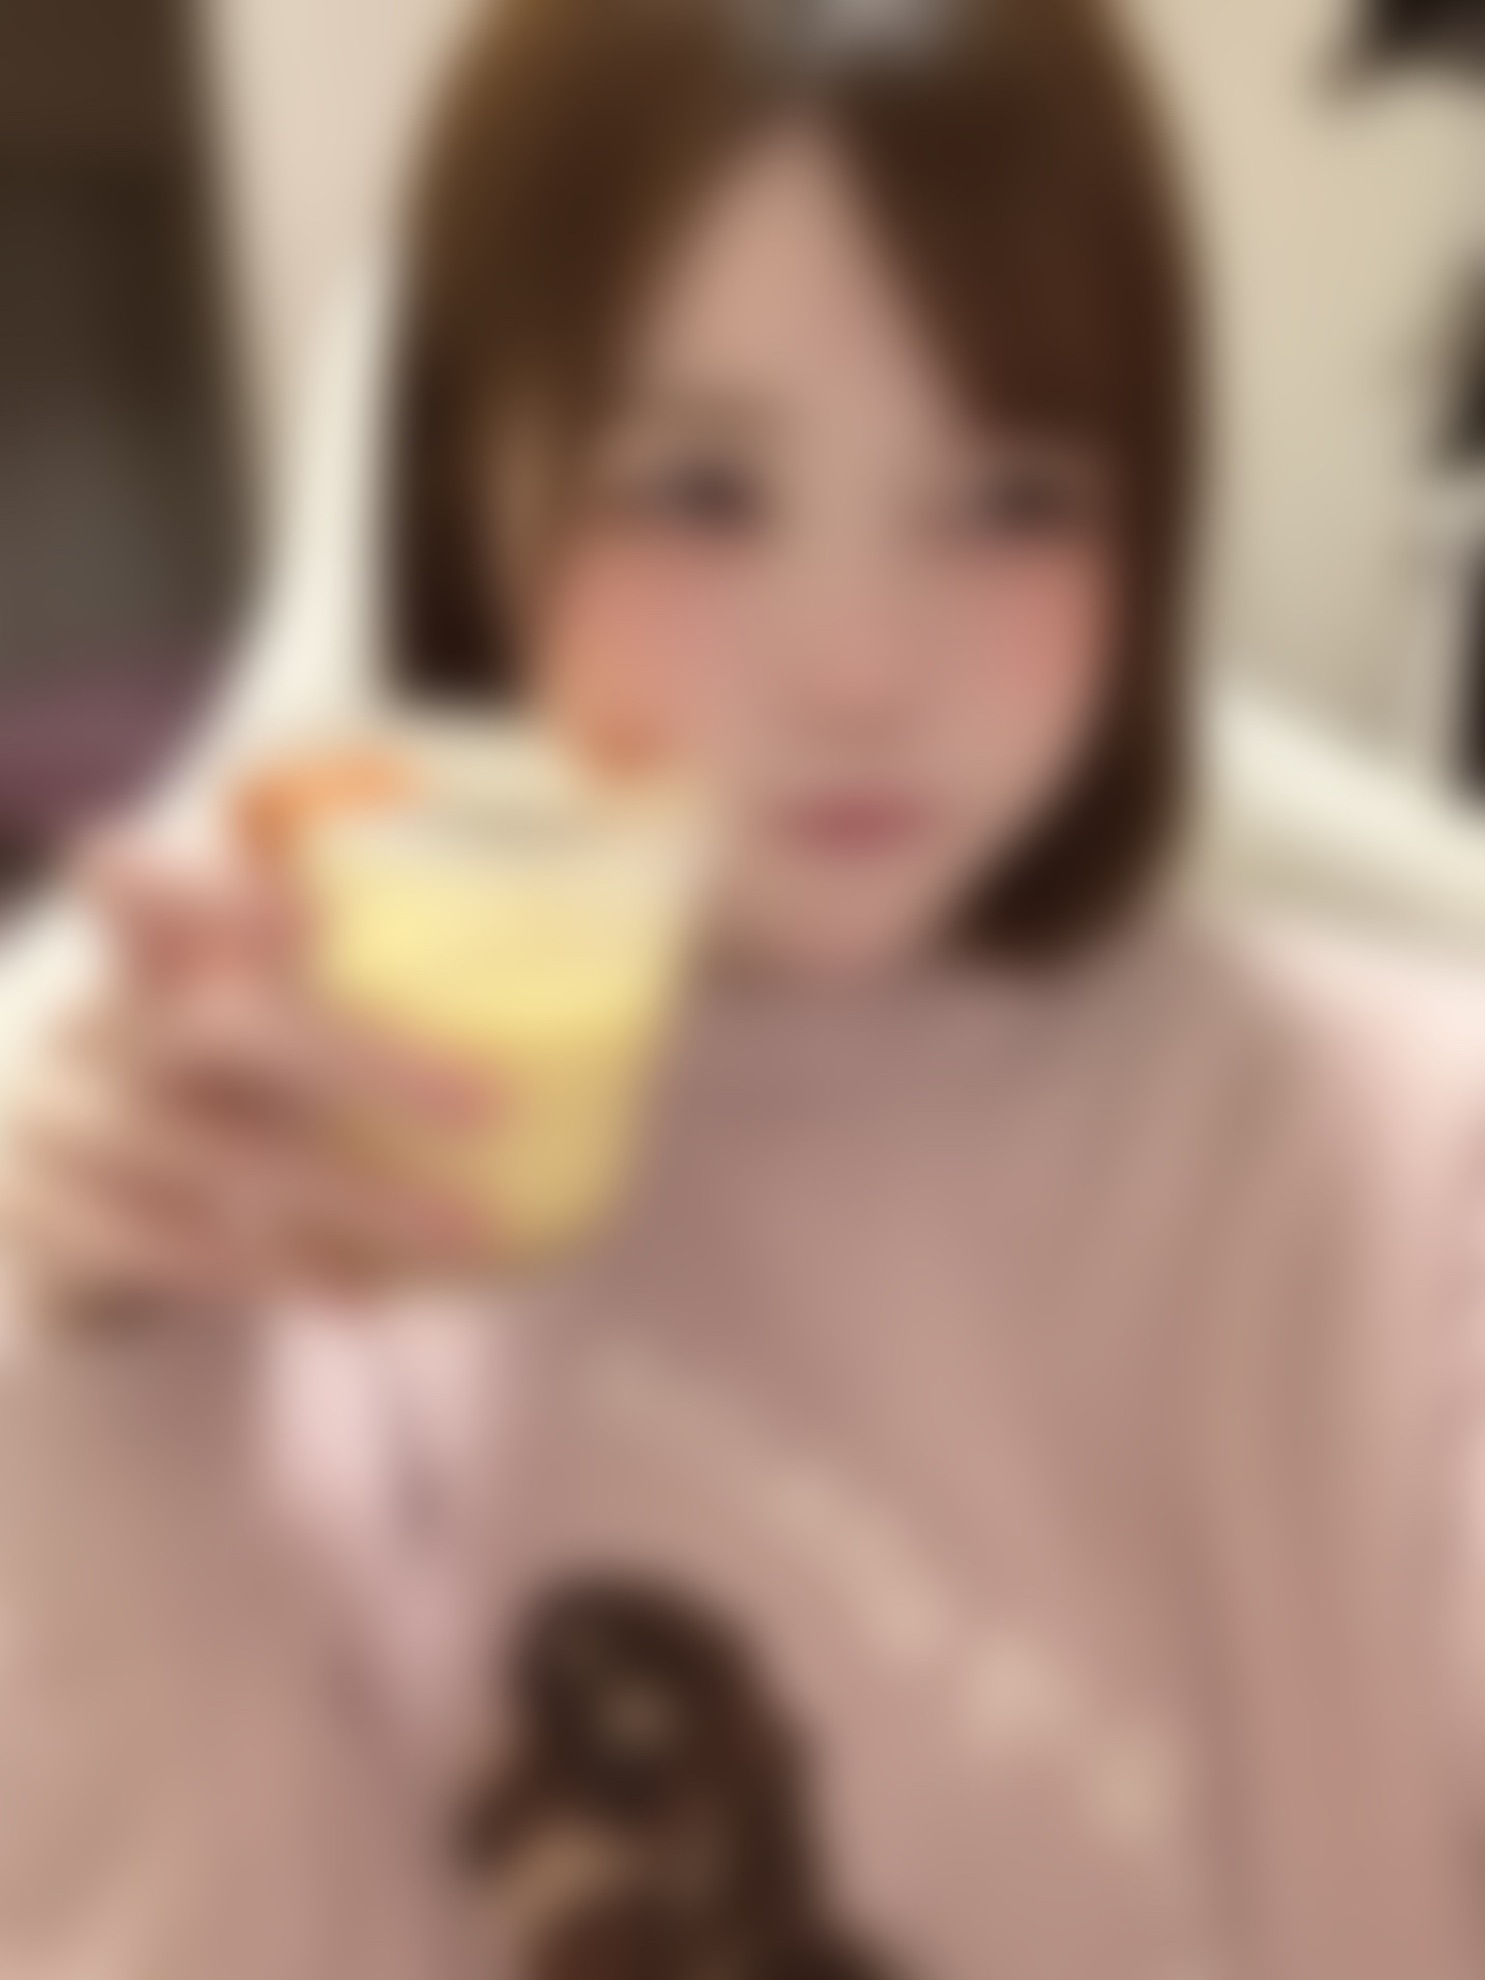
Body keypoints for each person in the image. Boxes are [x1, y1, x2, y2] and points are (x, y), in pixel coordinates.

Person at [1, 0, 1484, 1974]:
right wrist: (100, 1380)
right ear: (469, 495)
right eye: (701, 489)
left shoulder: (1399, 1167)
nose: (859, 666)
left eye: (1012, 497)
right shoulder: (315, 1171)